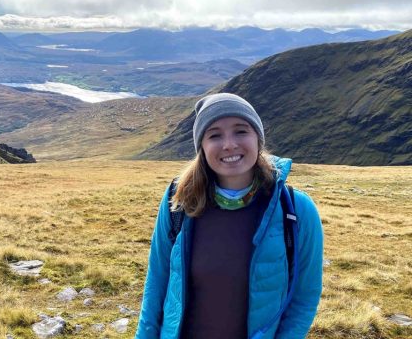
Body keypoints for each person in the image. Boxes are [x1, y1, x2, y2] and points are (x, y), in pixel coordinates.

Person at [135, 93, 323, 339]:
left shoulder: (296, 209)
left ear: (258, 138)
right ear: (202, 146)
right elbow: (157, 283)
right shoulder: (178, 200)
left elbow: (304, 297)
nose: (229, 144)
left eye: (241, 131)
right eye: (214, 135)